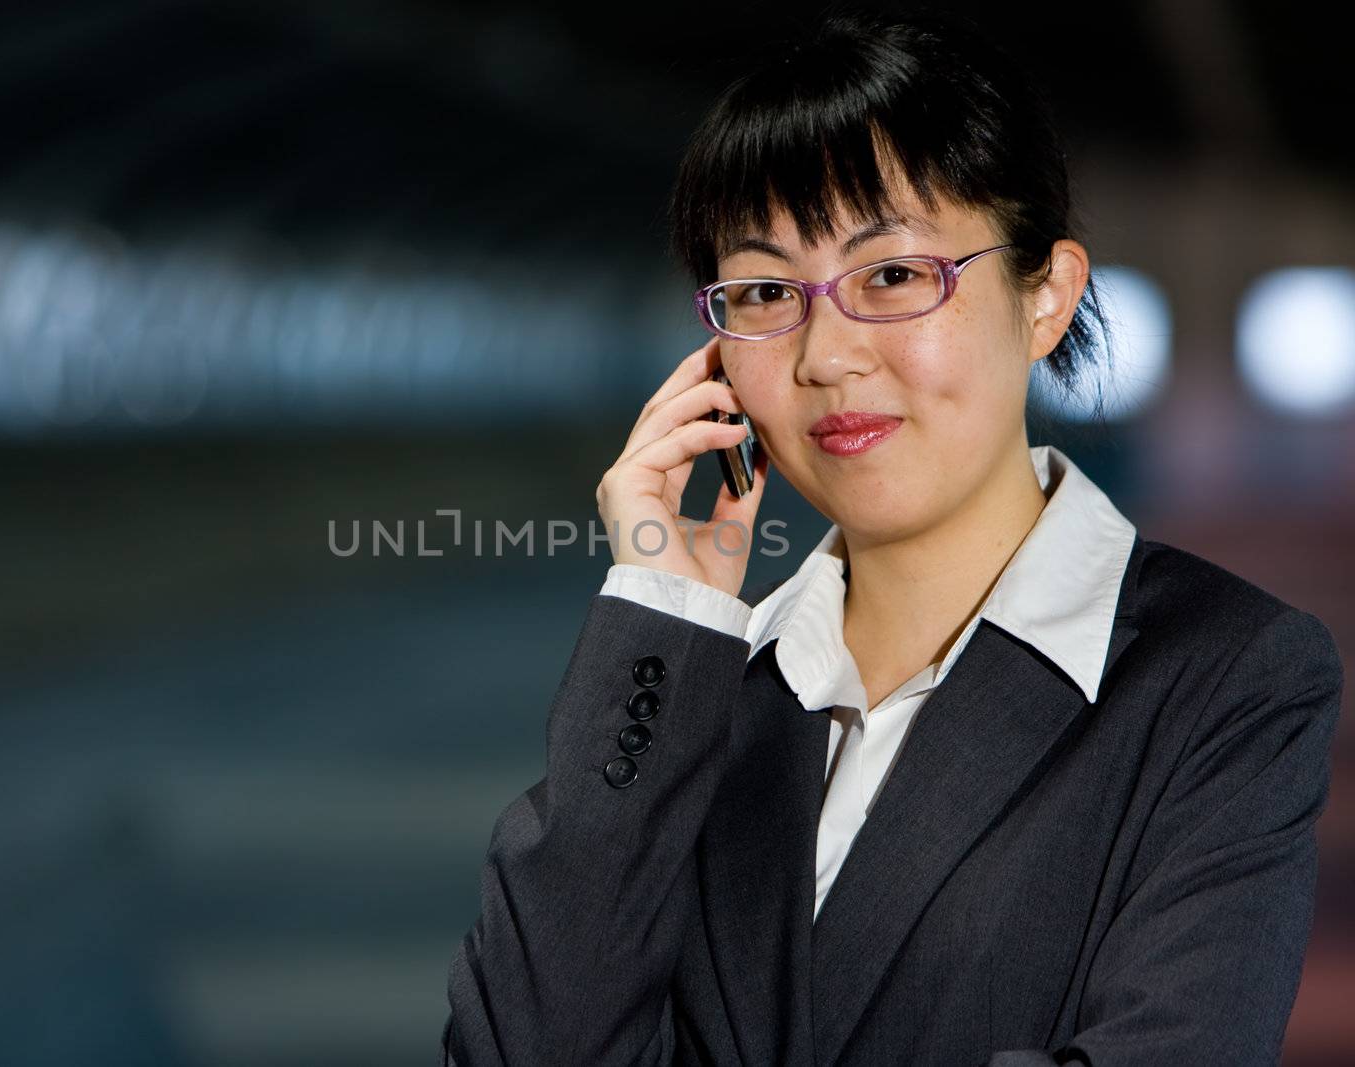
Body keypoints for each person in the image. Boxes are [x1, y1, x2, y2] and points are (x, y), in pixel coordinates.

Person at [439, 5, 1344, 1065]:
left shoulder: (1222, 673)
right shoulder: (703, 690)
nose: (827, 355)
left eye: (894, 276)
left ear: (1046, 296)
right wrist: (659, 611)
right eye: (768, 292)